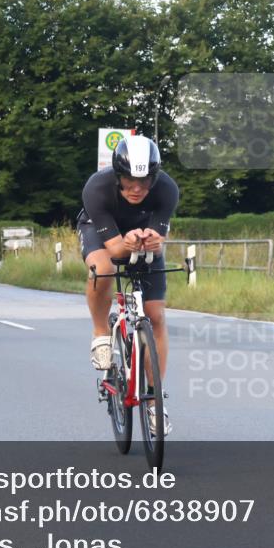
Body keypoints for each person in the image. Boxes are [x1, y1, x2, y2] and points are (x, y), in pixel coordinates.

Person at [78, 135, 179, 436]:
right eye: (129, 180)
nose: (136, 188)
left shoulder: (167, 190)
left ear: (154, 177)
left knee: (156, 316)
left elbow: (157, 248)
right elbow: (118, 252)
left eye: (145, 181)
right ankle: (100, 333)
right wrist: (128, 243)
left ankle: (154, 400)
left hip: (142, 236)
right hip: (101, 233)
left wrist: (152, 243)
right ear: (118, 175)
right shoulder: (96, 188)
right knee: (104, 268)